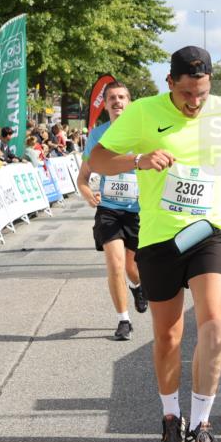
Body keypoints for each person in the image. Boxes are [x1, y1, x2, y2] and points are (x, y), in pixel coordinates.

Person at [89, 46, 221, 442]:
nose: (195, 103)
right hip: (160, 239)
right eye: (186, 94)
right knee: (168, 335)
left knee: (214, 325)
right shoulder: (143, 112)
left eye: (201, 93)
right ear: (170, 84)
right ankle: (171, 417)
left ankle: (202, 425)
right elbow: (97, 158)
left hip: (208, 232)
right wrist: (138, 159)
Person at [77, 81, 148, 341]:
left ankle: (138, 287)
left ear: (129, 102)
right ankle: (124, 320)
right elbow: (83, 178)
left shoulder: (143, 133)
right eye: (112, 98)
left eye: (122, 97)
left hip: (139, 211)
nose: (117, 101)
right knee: (115, 264)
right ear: (105, 105)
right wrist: (88, 195)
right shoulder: (98, 135)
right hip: (109, 209)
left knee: (132, 268)